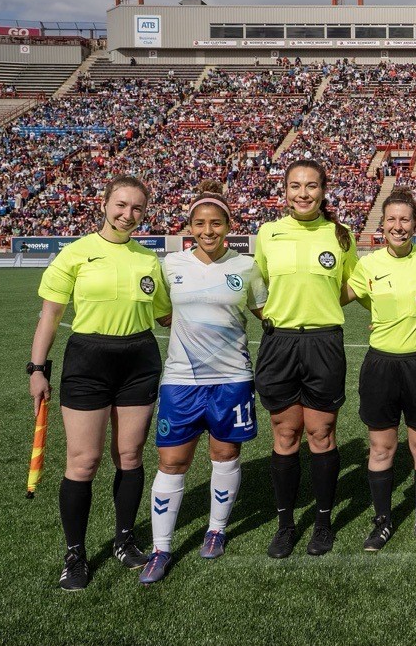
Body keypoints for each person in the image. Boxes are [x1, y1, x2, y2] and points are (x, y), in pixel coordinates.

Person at [28, 175, 171, 590]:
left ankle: (124, 540)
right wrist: (37, 368)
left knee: (129, 455)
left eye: (137, 209)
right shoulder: (75, 254)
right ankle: (75, 554)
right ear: (105, 203)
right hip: (88, 361)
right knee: (83, 461)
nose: (128, 215)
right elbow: (49, 317)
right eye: (121, 205)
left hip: (139, 360)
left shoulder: (148, 259)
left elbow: (166, 315)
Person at [139, 182, 267, 584]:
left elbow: (264, 310)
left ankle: (216, 529)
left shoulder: (246, 267)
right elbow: (162, 315)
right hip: (180, 381)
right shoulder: (171, 265)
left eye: (216, 223)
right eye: (200, 223)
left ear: (229, 225)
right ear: (189, 226)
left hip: (232, 378)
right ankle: (161, 548)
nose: (208, 230)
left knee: (224, 454)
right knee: (172, 461)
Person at [254, 160, 357, 558]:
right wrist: (275, 314)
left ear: (323, 190)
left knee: (321, 435)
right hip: (279, 343)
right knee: (285, 435)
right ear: (285, 191)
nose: (303, 193)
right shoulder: (268, 233)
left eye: (311, 186)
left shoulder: (340, 234)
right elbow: (256, 286)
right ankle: (285, 525)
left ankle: (323, 522)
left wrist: (324, 304)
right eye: (295, 186)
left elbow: (353, 285)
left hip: (323, 342)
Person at [344, 188, 416, 551]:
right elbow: (340, 296)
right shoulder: (368, 265)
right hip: (380, 365)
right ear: (382, 225)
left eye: (405, 219)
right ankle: (382, 521)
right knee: (381, 447)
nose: (398, 226)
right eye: (392, 220)